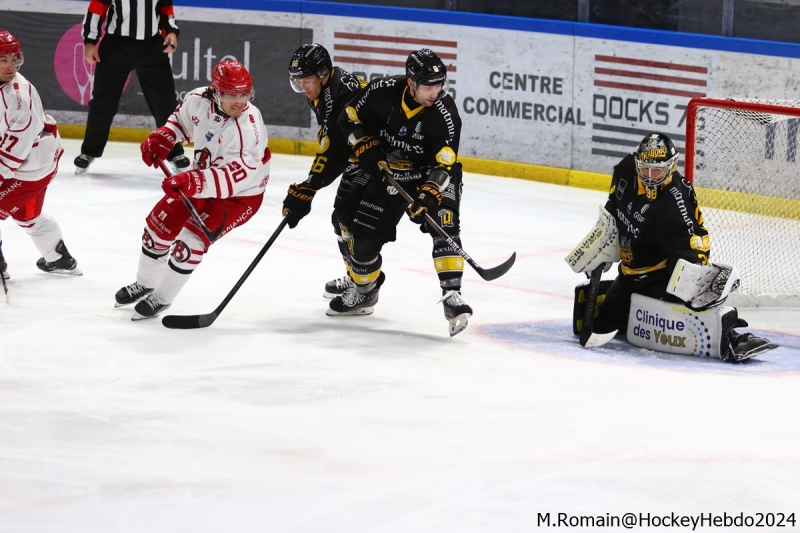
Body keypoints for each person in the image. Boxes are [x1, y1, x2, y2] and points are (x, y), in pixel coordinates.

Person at [566, 133, 776, 361]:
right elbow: (612, 215)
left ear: (671, 166)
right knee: (604, 321)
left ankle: (730, 336)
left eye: (656, 170)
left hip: (661, 276)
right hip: (630, 273)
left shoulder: (675, 200)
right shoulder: (624, 171)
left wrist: (687, 291)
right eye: (644, 169)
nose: (649, 176)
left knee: (679, 319)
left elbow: (689, 255)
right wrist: (600, 251)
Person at [115, 59, 270, 320]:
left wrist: (192, 181)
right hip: (202, 182)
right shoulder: (198, 98)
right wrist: (164, 137)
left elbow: (237, 177)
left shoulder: (249, 127)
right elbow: (181, 121)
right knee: (157, 227)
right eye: (232, 94)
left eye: (244, 94)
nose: (239, 101)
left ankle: (162, 298)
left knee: (189, 243)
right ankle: (145, 283)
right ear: (216, 91)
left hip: (239, 196)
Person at [334, 48, 473, 336]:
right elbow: (347, 118)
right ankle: (366, 291)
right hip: (389, 173)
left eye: (439, 85)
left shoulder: (445, 113)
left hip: (430, 176)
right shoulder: (381, 91)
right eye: (428, 86)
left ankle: (452, 295)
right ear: (411, 82)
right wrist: (364, 146)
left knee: (443, 224)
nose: (434, 92)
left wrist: (429, 192)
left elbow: (445, 162)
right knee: (362, 244)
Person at [281, 43, 369, 298]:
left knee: (350, 220)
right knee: (341, 219)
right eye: (298, 82)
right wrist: (310, 186)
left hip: (376, 159)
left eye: (307, 80)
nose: (303, 88)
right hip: (359, 157)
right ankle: (356, 279)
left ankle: (365, 287)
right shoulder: (325, 90)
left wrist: (309, 186)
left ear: (324, 72)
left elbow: (334, 153)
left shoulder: (339, 95)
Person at [0, 30, 81, 282]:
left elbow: (12, 155)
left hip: (29, 167)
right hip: (35, 161)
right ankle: (59, 259)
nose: (11, 65)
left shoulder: (19, 98)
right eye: (4, 59)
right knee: (28, 215)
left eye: (14, 58)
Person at [73, 0, 189, 174]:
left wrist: (171, 31)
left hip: (152, 46)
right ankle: (88, 152)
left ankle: (174, 151)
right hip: (115, 46)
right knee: (103, 101)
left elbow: (166, 10)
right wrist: (90, 42)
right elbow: (97, 10)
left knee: (165, 102)